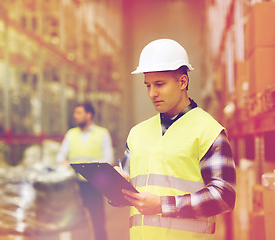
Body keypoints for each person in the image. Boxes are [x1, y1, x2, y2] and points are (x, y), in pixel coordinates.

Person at [117, 39, 236, 240]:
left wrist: (163, 205)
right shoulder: (137, 133)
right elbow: (128, 183)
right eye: (147, 85)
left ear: (182, 82)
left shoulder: (208, 131)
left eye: (159, 84)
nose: (152, 93)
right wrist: (116, 184)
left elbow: (223, 197)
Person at [57, 102, 114, 240]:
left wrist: (88, 165)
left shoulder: (102, 133)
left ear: (89, 115)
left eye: (79, 113)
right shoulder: (71, 134)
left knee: (97, 221)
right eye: (75, 113)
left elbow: (109, 159)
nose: (75, 116)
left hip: (94, 184)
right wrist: (69, 164)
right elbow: (60, 157)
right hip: (74, 185)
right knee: (74, 220)